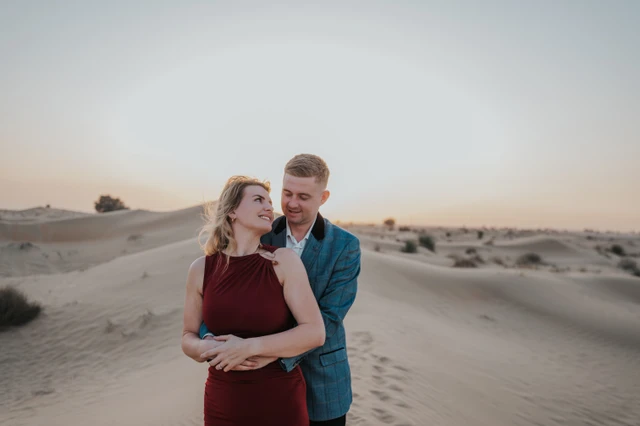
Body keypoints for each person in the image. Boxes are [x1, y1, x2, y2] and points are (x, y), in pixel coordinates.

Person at [200, 154, 362, 426]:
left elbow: (330, 318)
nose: (292, 203)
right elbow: (221, 294)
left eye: (303, 196)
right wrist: (213, 340)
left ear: (323, 197)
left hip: (322, 383)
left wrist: (267, 354)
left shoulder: (345, 246)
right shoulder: (259, 232)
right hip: (264, 387)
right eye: (287, 193)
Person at [181, 175, 326, 426]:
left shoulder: (283, 261)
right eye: (258, 199)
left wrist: (248, 347)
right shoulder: (201, 269)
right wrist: (208, 349)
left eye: (270, 202)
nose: (269, 207)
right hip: (222, 401)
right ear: (232, 211)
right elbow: (187, 336)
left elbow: (314, 332)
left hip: (279, 401)